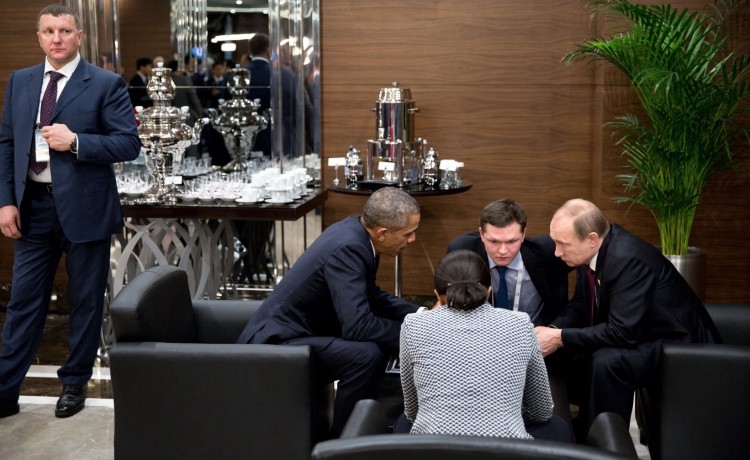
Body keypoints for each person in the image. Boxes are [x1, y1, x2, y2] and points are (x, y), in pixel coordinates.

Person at [0, 5, 140, 419]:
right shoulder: (21, 81)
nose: (56, 38)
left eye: (64, 30)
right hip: (33, 208)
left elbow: (127, 144)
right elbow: (7, 144)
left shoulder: (105, 83)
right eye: (48, 31)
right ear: (39, 37)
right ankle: (6, 390)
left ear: (79, 36)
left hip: (85, 209)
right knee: (24, 301)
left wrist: (76, 141)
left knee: (83, 301)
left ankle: (74, 385)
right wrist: (6, 200)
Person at [237, 187, 422, 437]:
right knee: (365, 355)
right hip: (277, 343)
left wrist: (420, 315)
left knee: (381, 342)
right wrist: (414, 334)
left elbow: (372, 296)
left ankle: (377, 428)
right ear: (383, 233)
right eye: (408, 234)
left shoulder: (357, 233)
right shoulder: (350, 248)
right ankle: (342, 442)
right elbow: (358, 327)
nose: (411, 240)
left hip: (305, 331)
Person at [535, 198, 721, 435]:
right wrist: (550, 330)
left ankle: (605, 442)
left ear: (592, 239)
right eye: (555, 242)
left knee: (608, 361)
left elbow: (622, 331)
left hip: (681, 344)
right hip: (643, 335)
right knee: (562, 352)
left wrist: (560, 337)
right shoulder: (588, 254)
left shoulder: (626, 258)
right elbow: (580, 305)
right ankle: (573, 435)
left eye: (563, 244)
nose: (557, 252)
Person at [397, 250, 574, 443]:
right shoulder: (520, 323)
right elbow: (540, 410)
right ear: (489, 291)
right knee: (558, 426)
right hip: (506, 451)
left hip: (432, 450)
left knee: (403, 422)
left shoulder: (413, 324)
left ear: (438, 297)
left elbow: (413, 410)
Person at [447, 199, 571, 326]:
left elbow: (581, 296)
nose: (502, 251)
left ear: (523, 235)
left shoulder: (549, 252)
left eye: (511, 241)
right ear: (481, 235)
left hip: (535, 340)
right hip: (480, 339)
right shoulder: (463, 251)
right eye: (494, 242)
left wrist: (553, 330)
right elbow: (448, 301)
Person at [246, 33, 272, 157]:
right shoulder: (276, 74)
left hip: (243, 137)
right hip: (272, 137)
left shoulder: (238, 75)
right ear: (269, 50)